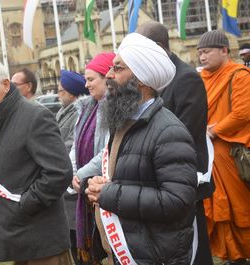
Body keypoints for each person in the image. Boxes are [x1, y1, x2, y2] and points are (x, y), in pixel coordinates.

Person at [85, 32, 197, 265]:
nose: (108, 75)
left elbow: (177, 201)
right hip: (129, 251)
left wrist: (109, 193)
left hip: (156, 256)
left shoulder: (169, 132)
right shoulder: (125, 121)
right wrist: (101, 185)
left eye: (118, 69)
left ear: (141, 80)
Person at [0, 61, 73, 264]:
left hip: (43, 241)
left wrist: (26, 204)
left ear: (6, 85)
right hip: (17, 239)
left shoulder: (35, 116)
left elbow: (59, 172)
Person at [136, 21, 214, 265]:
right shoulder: (155, 79)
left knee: (194, 250)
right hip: (160, 180)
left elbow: (184, 134)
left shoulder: (186, 79)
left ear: (159, 47)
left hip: (183, 179)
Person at [197, 30, 250, 265]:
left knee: (239, 209)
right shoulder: (200, 80)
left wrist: (212, 130)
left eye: (206, 52)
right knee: (219, 210)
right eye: (199, 53)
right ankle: (231, 256)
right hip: (209, 157)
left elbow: (242, 113)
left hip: (231, 153)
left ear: (225, 51)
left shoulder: (240, 75)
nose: (202, 57)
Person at [70, 52, 115, 265]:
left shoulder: (115, 107)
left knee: (111, 247)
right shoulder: (87, 107)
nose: (86, 85)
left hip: (104, 186)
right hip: (85, 185)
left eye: (90, 79)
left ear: (108, 77)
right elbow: (75, 144)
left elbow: (108, 149)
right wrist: (74, 174)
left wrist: (82, 173)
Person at [56, 69, 89, 265]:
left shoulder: (77, 113)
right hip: (65, 190)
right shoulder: (63, 112)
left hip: (72, 188)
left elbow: (69, 146)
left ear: (72, 93)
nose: (58, 94)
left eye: (61, 91)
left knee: (79, 250)